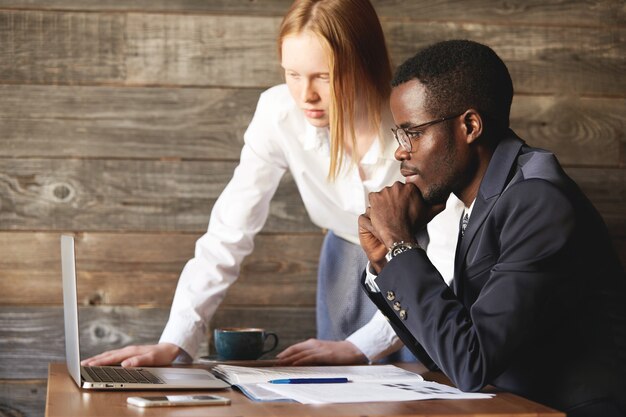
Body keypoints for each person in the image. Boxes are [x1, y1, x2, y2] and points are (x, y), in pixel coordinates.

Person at [82, 0, 462, 368]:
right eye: (292, 74)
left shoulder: (416, 123)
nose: (305, 94)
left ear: (364, 63)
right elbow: (228, 233)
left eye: (324, 76)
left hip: (426, 270)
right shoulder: (278, 114)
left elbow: (448, 249)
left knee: (422, 396)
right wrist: (176, 339)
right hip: (344, 270)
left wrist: (363, 345)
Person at [359, 39, 626, 416]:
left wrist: (403, 244)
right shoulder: (487, 198)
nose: (401, 151)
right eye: (399, 136)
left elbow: (470, 363)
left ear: (470, 126)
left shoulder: (537, 201)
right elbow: (444, 353)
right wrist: (388, 259)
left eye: (413, 132)